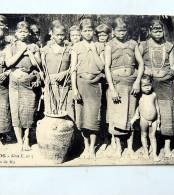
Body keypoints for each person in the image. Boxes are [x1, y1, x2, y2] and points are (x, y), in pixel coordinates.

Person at [139, 19, 174, 158]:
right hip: (149, 87)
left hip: (166, 86)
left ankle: (167, 148)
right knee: (149, 115)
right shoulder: (143, 45)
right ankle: (148, 147)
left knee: (167, 116)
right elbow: (137, 64)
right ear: (150, 31)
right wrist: (146, 69)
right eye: (155, 30)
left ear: (164, 32)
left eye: (160, 30)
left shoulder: (169, 46)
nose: (158, 32)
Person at [105, 17, 144, 158]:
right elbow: (107, 68)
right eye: (119, 30)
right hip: (116, 85)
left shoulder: (133, 44)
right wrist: (112, 88)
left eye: (124, 30)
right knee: (116, 117)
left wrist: (137, 81)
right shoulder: (109, 45)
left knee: (130, 116)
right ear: (114, 31)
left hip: (131, 85)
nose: (122, 33)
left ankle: (130, 148)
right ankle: (117, 148)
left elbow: (141, 64)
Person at [71, 18, 105, 159]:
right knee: (82, 118)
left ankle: (92, 148)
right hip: (81, 85)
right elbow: (73, 69)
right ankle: (86, 147)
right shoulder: (76, 47)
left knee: (93, 118)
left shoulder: (99, 46)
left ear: (93, 31)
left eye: (90, 30)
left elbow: (102, 66)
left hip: (95, 85)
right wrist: (74, 89)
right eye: (85, 30)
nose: (88, 33)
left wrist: (93, 51)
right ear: (81, 32)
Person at [5, 21, 41, 151]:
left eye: (25, 32)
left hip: (28, 83)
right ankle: (19, 141)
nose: (23, 34)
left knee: (28, 111)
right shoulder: (11, 46)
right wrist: (21, 51)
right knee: (16, 110)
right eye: (20, 32)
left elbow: (37, 64)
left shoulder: (34, 46)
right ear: (16, 33)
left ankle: (26, 139)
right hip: (14, 82)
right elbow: (8, 63)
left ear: (29, 33)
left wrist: (30, 53)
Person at [41, 23, 73, 118]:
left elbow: (74, 66)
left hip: (64, 85)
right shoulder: (45, 49)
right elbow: (43, 68)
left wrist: (64, 73)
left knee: (64, 111)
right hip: (50, 85)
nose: (60, 37)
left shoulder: (69, 49)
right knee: (51, 111)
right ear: (52, 34)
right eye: (57, 35)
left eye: (62, 35)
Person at [131, 74, 160, 161]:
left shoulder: (154, 95)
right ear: (140, 86)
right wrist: (135, 116)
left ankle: (154, 154)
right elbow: (137, 107)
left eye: (149, 85)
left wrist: (159, 118)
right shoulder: (139, 96)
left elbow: (157, 107)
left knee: (153, 136)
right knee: (144, 135)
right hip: (144, 119)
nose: (147, 87)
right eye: (144, 86)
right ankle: (146, 152)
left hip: (154, 120)